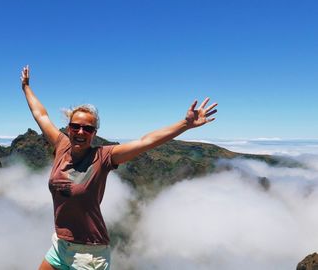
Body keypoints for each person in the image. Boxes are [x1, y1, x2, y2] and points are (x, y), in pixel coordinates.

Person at [21, 65, 217, 270]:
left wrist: (184, 124)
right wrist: (26, 87)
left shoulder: (103, 156)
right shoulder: (61, 146)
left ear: (94, 133)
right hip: (60, 246)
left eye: (87, 128)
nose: (80, 131)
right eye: (75, 126)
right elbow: (40, 115)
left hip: (89, 255)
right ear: (68, 128)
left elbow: (145, 142)